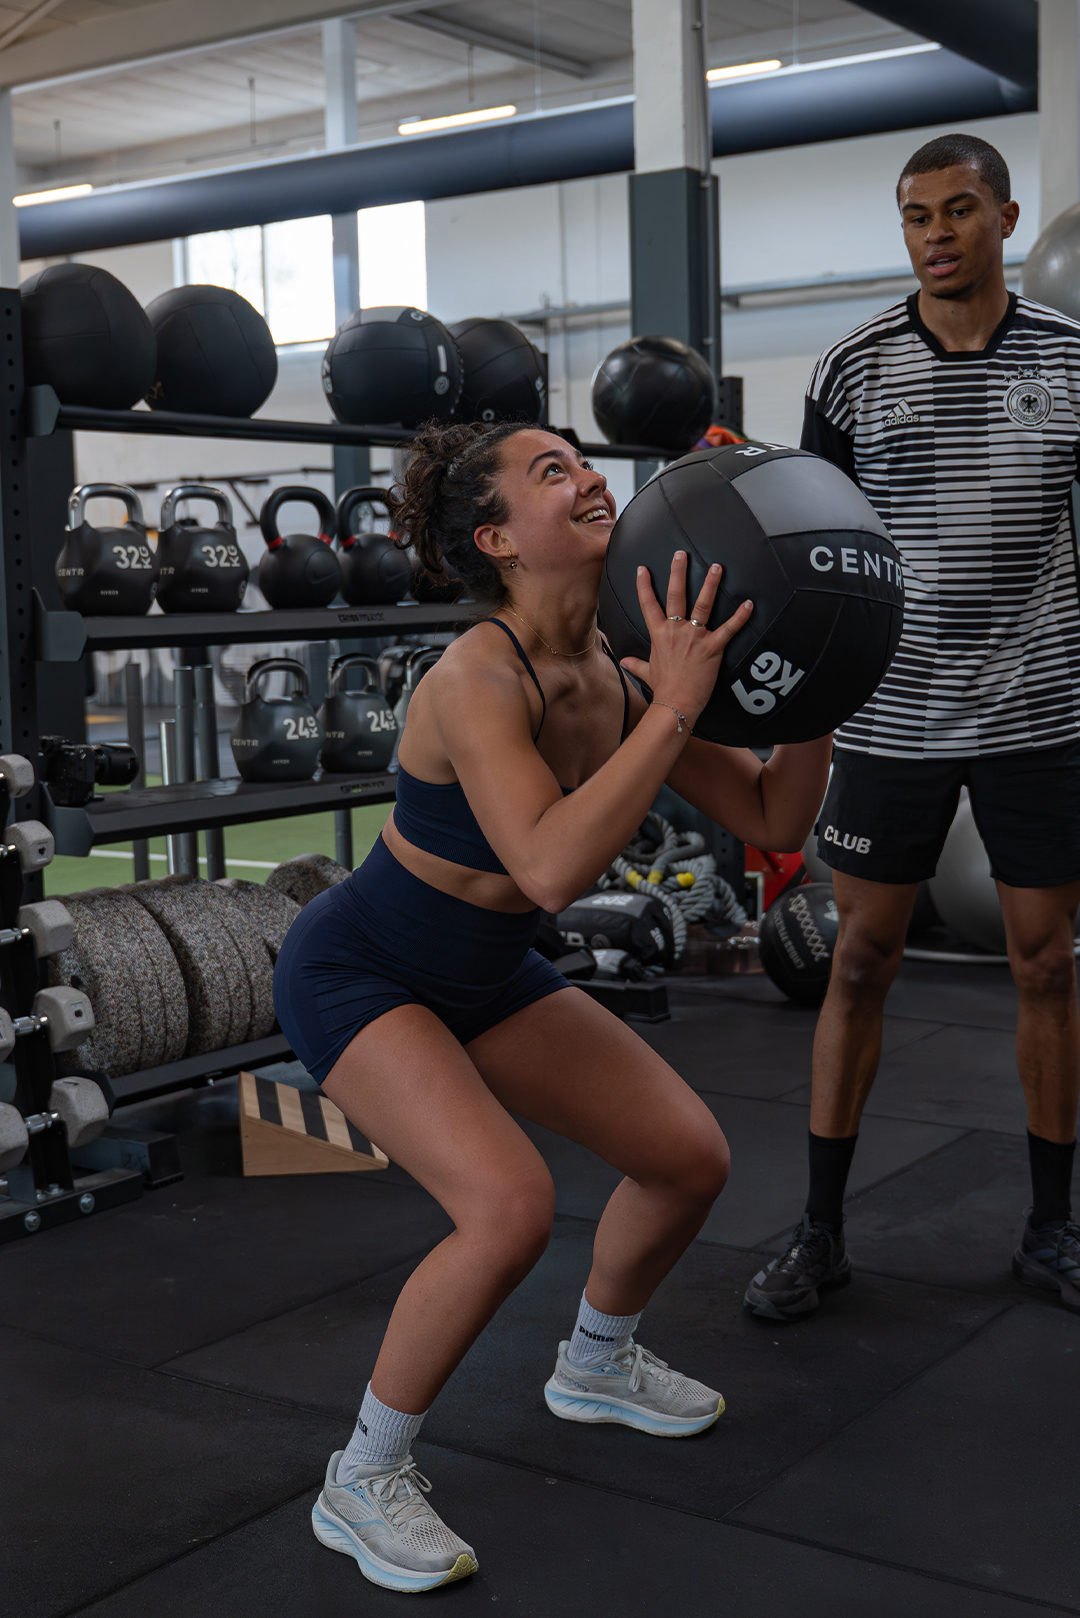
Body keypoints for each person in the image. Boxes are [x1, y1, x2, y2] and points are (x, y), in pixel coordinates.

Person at [273, 419, 833, 1593]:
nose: (586, 480)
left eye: (581, 461)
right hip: (363, 969)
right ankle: (363, 1475)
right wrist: (676, 708)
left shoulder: (624, 674)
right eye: (550, 473)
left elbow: (777, 817)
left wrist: (827, 672)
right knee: (509, 1205)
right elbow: (546, 871)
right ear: (497, 540)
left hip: (482, 974)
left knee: (686, 1157)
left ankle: (596, 1361)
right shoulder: (477, 674)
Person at [744, 132, 1080, 1325]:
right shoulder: (851, 370)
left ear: (1003, 217)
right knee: (861, 959)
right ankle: (821, 1229)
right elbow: (812, 549)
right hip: (893, 712)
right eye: (914, 217)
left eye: (957, 210)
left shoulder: (1072, 361)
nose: (935, 233)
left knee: (1045, 963)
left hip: (1042, 702)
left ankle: (1053, 1227)